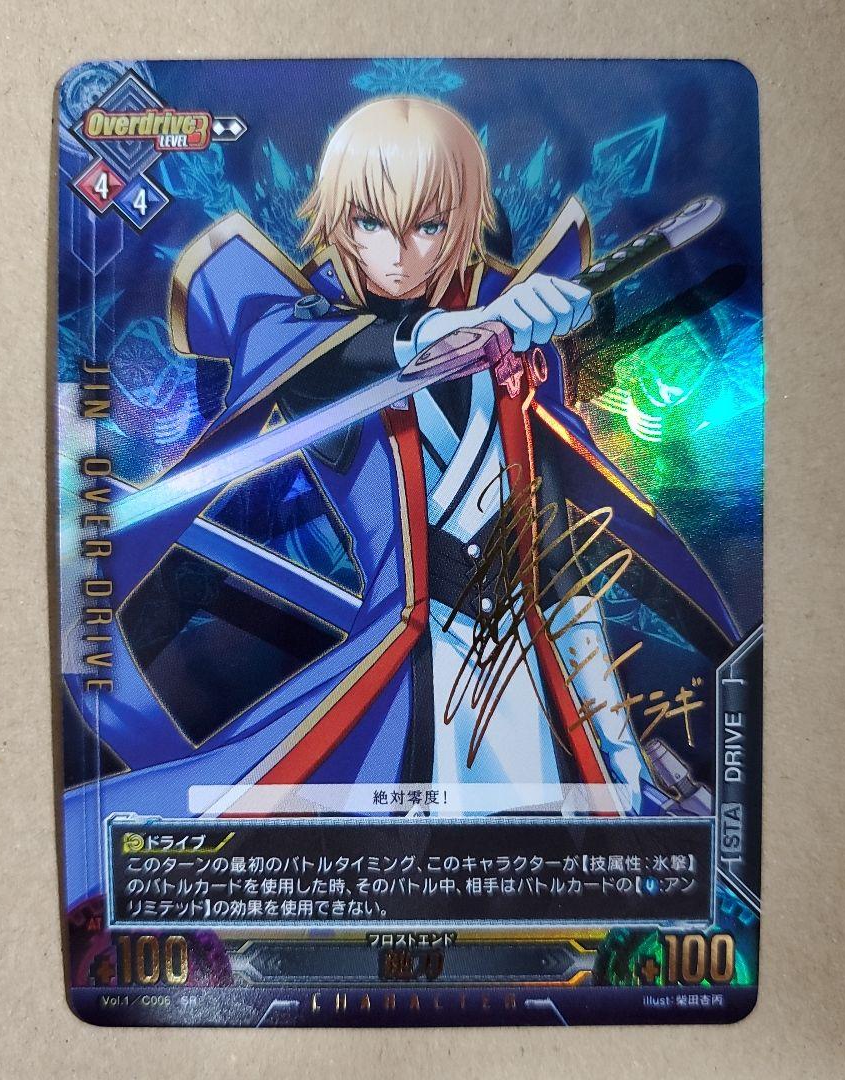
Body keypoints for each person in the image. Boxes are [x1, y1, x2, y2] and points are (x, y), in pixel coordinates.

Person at [67, 96, 738, 860]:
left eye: (429, 227)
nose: (400, 254)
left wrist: (530, 326)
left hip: (534, 662)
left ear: (465, 222)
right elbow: (313, 350)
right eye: (370, 224)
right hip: (412, 667)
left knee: (578, 851)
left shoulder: (510, 345)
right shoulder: (310, 340)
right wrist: (437, 331)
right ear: (337, 220)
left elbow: (551, 521)